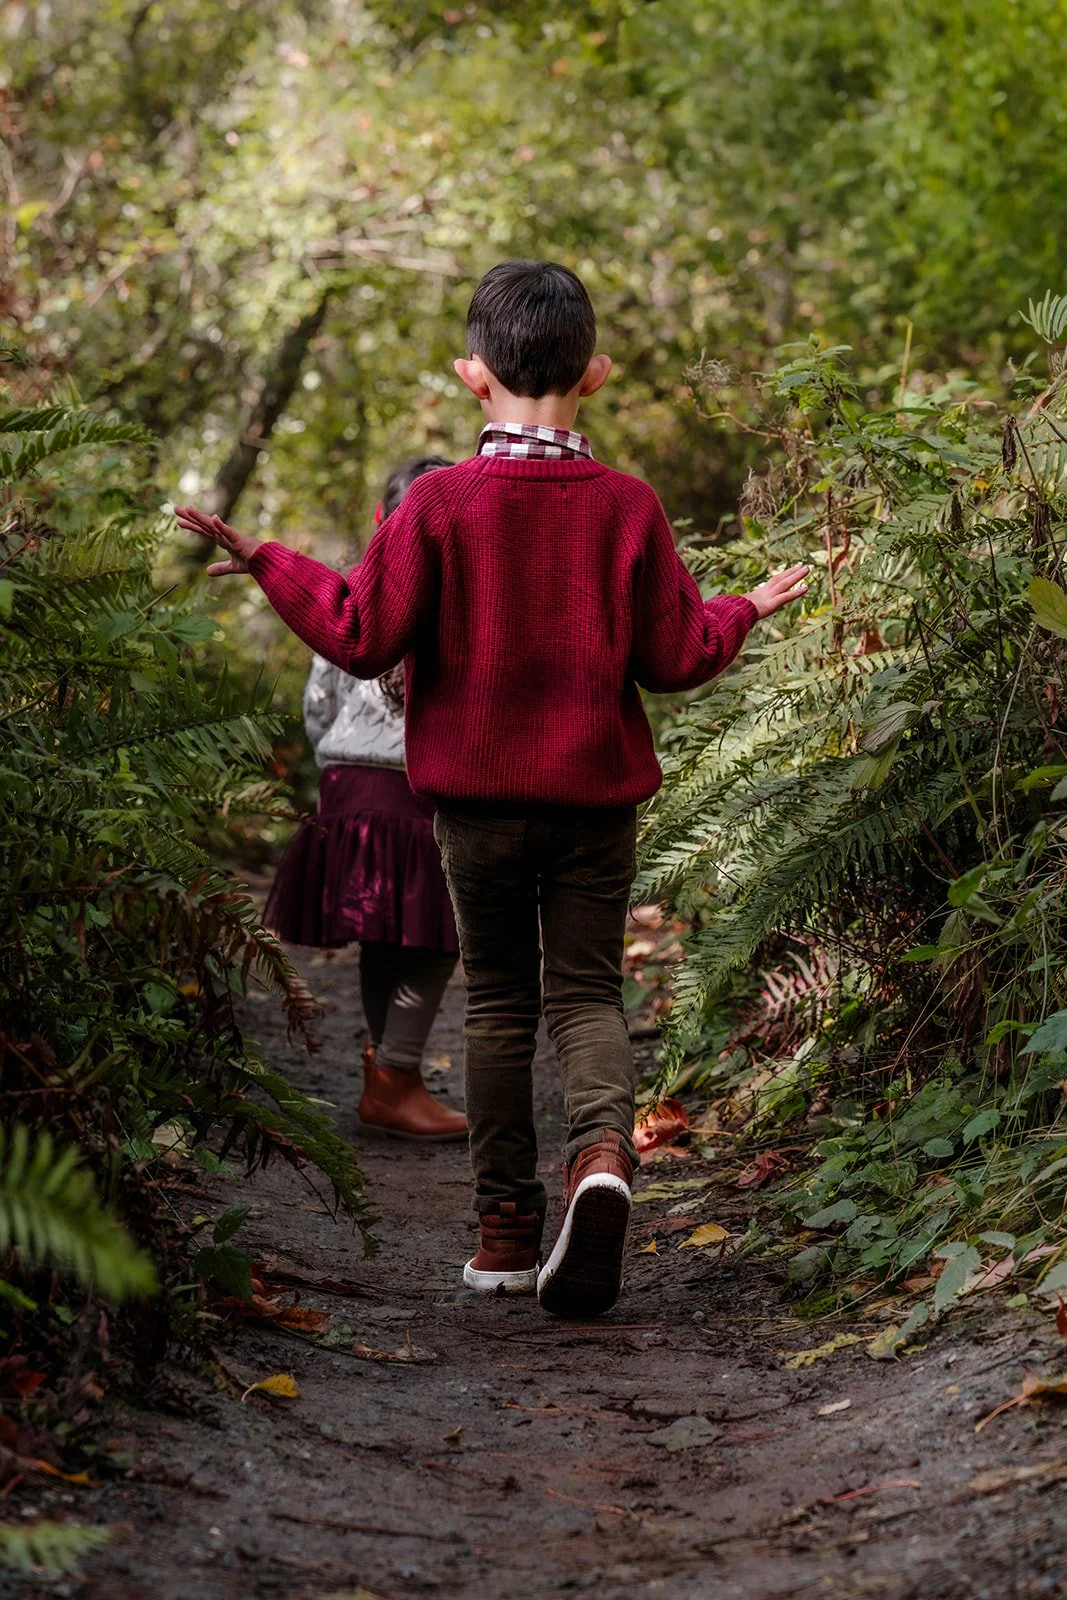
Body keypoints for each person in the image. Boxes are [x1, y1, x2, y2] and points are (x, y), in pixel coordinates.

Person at [174, 259, 809, 1319]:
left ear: (472, 375)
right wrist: (744, 606)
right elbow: (676, 654)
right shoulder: (627, 507)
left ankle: (506, 1230)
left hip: (474, 808)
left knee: (504, 999)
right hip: (597, 805)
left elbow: (358, 630)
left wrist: (267, 557)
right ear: (594, 375)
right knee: (584, 995)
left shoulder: (436, 503)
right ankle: (601, 1156)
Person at [262, 457, 467, 1143]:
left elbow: (319, 700)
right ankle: (397, 1075)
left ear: (382, 521)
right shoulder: (466, 596)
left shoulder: (353, 588)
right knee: (439, 936)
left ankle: (389, 1082)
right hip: (409, 783)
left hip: (344, 781)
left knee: (387, 934)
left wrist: (336, 758)